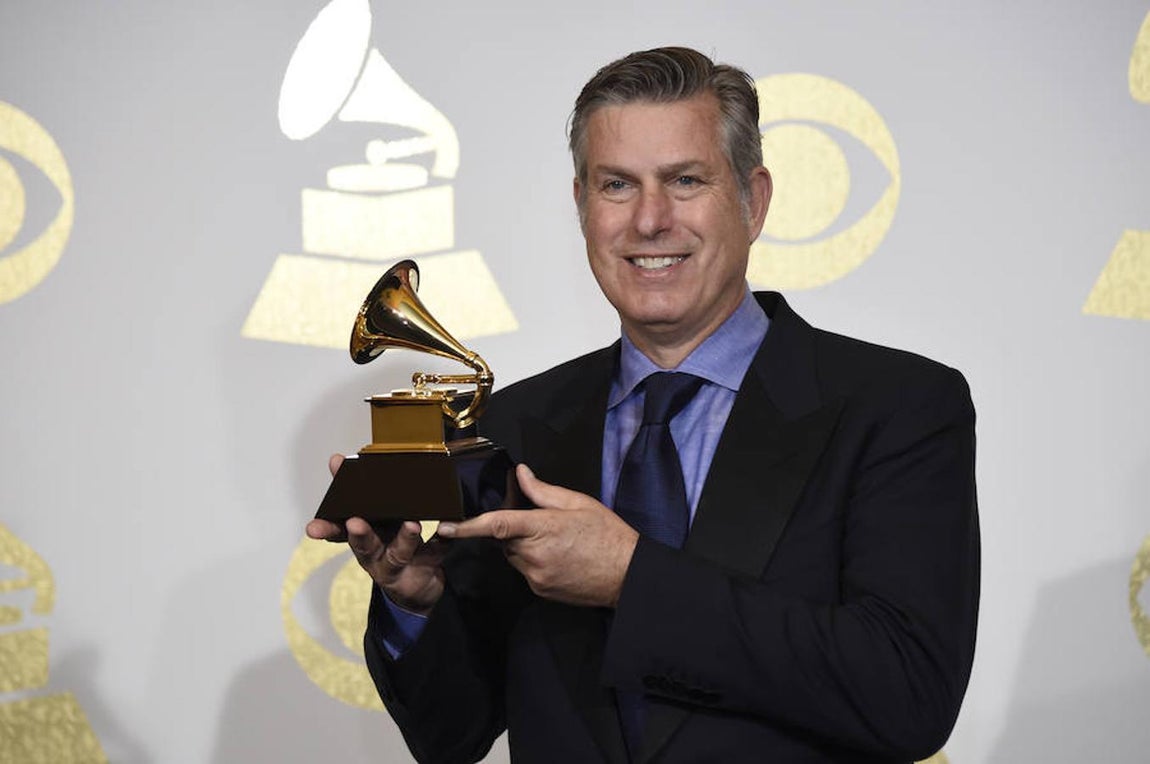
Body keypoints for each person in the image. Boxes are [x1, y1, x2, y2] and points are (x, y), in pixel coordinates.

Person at [307, 46, 979, 764]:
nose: (650, 221)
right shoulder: (515, 424)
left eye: (685, 180)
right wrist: (415, 601)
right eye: (617, 186)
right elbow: (451, 733)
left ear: (753, 201)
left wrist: (632, 578)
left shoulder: (899, 406)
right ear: (581, 207)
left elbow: (908, 696)